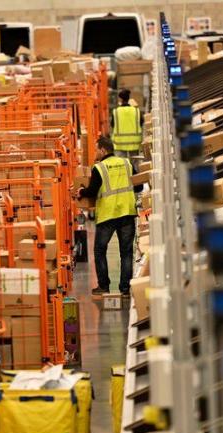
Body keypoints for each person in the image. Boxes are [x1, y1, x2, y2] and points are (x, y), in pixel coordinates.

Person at [77, 136, 138, 298]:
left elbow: (92, 191)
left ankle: (104, 286)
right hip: (127, 212)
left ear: (103, 150)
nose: (95, 153)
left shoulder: (99, 168)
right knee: (126, 252)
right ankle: (125, 289)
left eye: (96, 149)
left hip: (108, 215)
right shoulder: (127, 163)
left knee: (99, 250)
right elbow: (138, 186)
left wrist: (81, 192)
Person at [111, 89, 143, 166]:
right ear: (128, 99)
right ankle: (135, 177)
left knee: (122, 165)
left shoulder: (116, 112)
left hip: (119, 144)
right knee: (134, 166)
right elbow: (141, 123)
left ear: (121, 100)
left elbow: (112, 125)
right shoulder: (136, 111)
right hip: (134, 143)